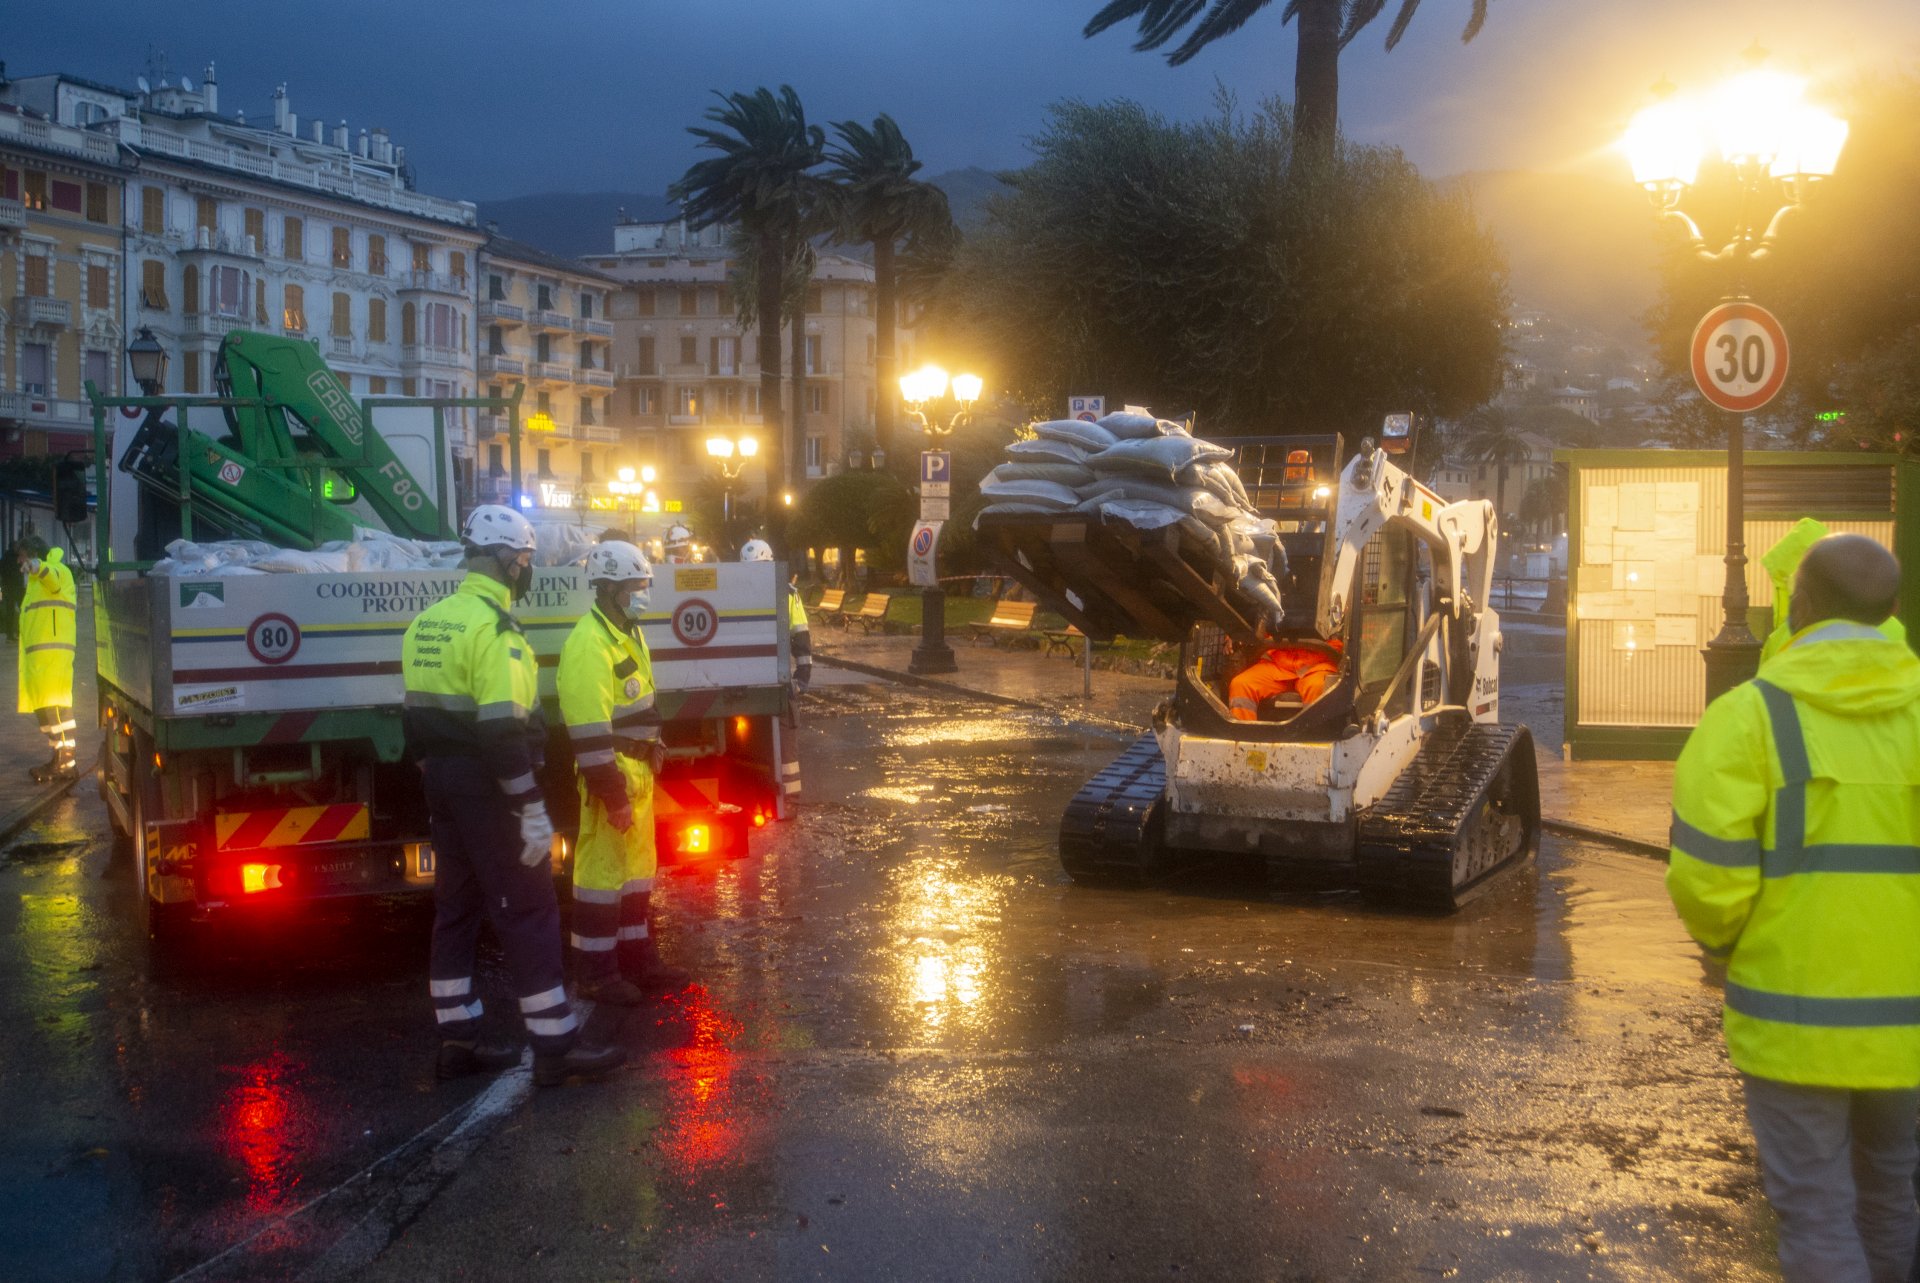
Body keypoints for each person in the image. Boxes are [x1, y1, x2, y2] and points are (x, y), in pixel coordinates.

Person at [1667, 533, 1920, 1283]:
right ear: (1893, 609)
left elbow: (1707, 881)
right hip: (1909, 1025)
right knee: (1891, 1191)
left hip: (1793, 1019)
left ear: (1799, 606)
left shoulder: (1747, 719)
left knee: (1815, 1208)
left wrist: (1734, 945)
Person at [401, 504, 624, 1087]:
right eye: (524, 559)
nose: (526, 570)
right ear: (503, 559)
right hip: (488, 783)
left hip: (443, 781)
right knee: (529, 907)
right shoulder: (498, 632)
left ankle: (458, 1038)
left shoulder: (431, 621)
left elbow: (414, 718)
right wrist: (528, 807)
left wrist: (437, 774)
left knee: (456, 908)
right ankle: (555, 1045)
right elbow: (503, 732)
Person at [557, 540, 687, 1003]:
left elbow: (639, 702)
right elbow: (588, 728)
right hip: (612, 773)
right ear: (609, 588)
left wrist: (654, 743)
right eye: (636, 585)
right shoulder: (589, 644)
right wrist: (611, 794)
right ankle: (594, 973)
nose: (643, 593)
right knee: (600, 877)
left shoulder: (626, 631)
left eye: (645, 584)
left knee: (635, 871)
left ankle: (637, 960)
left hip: (636, 770)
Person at [741, 538, 806, 805]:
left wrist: (803, 676)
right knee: (770, 738)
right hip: (759, 679)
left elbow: (800, 634)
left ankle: (786, 797)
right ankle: (776, 795)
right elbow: (801, 635)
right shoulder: (783, 592)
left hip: (769, 679)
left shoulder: (786, 593)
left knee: (782, 735)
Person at [17, 535, 78, 781]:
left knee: (56, 709)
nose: (19, 561)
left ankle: (66, 761)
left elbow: (51, 577)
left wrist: (36, 566)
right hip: (40, 657)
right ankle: (59, 757)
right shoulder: (33, 583)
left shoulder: (57, 570)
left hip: (53, 655)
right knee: (46, 710)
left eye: (22, 556)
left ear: (32, 555)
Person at [1227, 636, 1342, 720]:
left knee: (1318, 688)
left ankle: (1313, 744)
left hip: (1317, 664)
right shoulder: (1275, 602)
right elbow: (1250, 615)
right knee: (1241, 685)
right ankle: (1243, 745)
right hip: (1277, 660)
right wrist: (1234, 634)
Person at [0, 531, 25, 642]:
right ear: (14, 547)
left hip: (8, 587)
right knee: (23, 609)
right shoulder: (16, 558)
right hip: (16, 588)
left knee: (10, 610)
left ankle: (10, 635)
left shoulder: (4, 558)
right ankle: (20, 633)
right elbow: (19, 571)